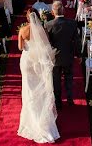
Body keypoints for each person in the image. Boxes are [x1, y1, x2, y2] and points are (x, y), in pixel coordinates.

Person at [17, 10, 59, 143]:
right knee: (40, 88)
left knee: (29, 88)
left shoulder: (23, 30)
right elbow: (47, 46)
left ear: (27, 18)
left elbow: (20, 47)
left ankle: (32, 118)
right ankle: (43, 118)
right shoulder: (43, 30)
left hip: (27, 61)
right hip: (39, 62)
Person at [45, 1, 79, 108]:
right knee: (69, 78)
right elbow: (77, 41)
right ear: (63, 10)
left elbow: (46, 43)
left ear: (53, 12)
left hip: (55, 57)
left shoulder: (48, 25)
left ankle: (58, 101)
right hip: (68, 55)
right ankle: (69, 99)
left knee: (56, 80)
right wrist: (78, 55)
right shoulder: (72, 23)